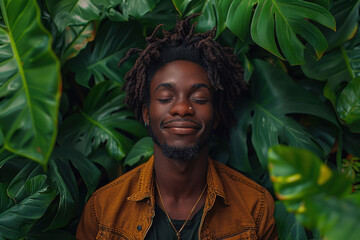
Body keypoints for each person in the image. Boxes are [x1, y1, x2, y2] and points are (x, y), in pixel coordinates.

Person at [76, 14, 278, 240]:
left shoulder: (255, 207)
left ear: (217, 116)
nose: (182, 108)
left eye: (199, 98)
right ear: (146, 113)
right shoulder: (103, 211)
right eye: (165, 97)